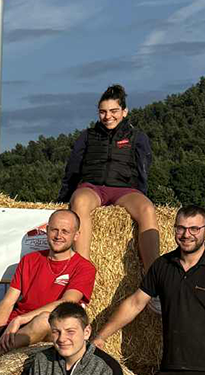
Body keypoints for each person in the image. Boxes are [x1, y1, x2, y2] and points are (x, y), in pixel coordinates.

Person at [91, 206, 205, 375]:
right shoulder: (162, 265)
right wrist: (101, 337)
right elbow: (135, 303)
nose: (186, 234)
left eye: (194, 229)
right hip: (172, 366)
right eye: (181, 228)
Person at [0, 210, 96, 374]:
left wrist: (21, 319)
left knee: (43, 320)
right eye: (54, 229)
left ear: (76, 235)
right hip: (14, 327)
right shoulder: (30, 260)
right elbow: (7, 302)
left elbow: (66, 303)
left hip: (51, 327)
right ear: (47, 230)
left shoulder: (84, 268)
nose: (58, 235)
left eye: (65, 231)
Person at [58, 84, 159, 276]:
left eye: (114, 111)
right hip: (92, 187)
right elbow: (72, 168)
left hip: (124, 190)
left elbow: (143, 168)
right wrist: (63, 197)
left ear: (124, 111)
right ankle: (82, 271)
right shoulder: (87, 136)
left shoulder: (137, 137)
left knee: (147, 209)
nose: (108, 116)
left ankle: (154, 277)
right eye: (102, 112)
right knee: (79, 201)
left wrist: (142, 193)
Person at [22, 302, 123, 375]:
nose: (61, 339)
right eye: (56, 332)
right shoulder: (41, 361)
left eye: (70, 332)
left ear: (86, 332)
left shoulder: (106, 368)